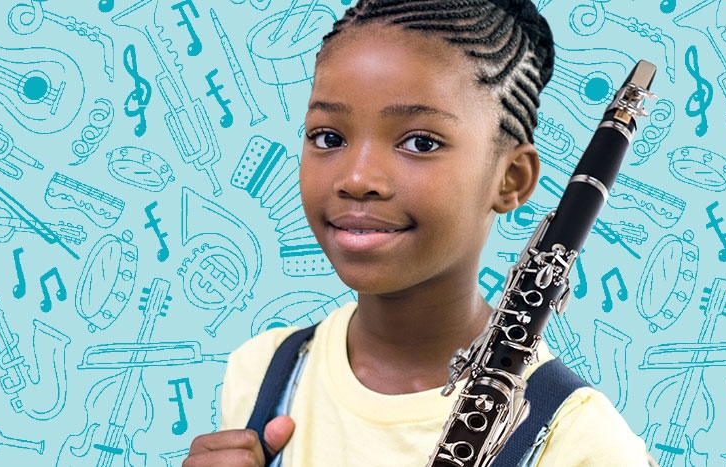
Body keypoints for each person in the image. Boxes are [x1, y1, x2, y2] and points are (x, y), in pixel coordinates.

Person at [185, 0, 658, 465]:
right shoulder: (260, 372)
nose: (357, 178)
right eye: (328, 137)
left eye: (420, 142)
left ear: (510, 179)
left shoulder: (586, 444)